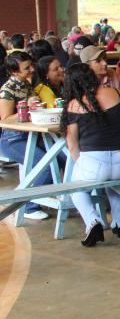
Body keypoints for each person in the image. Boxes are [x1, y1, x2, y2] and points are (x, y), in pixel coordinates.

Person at [61, 64, 120, 246]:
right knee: (112, 181)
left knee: (75, 188)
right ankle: (119, 221)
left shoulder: (74, 104)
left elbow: (72, 146)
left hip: (94, 164)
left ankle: (92, 220)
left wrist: (84, 164)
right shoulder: (117, 93)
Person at [0, 52, 64, 220]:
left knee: (61, 158)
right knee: (44, 163)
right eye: (26, 68)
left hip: (33, 136)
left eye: (31, 65)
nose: (32, 69)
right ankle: (27, 205)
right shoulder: (7, 90)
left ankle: (49, 196)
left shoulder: (27, 85)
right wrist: (26, 108)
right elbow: (5, 119)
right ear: (14, 72)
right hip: (12, 139)